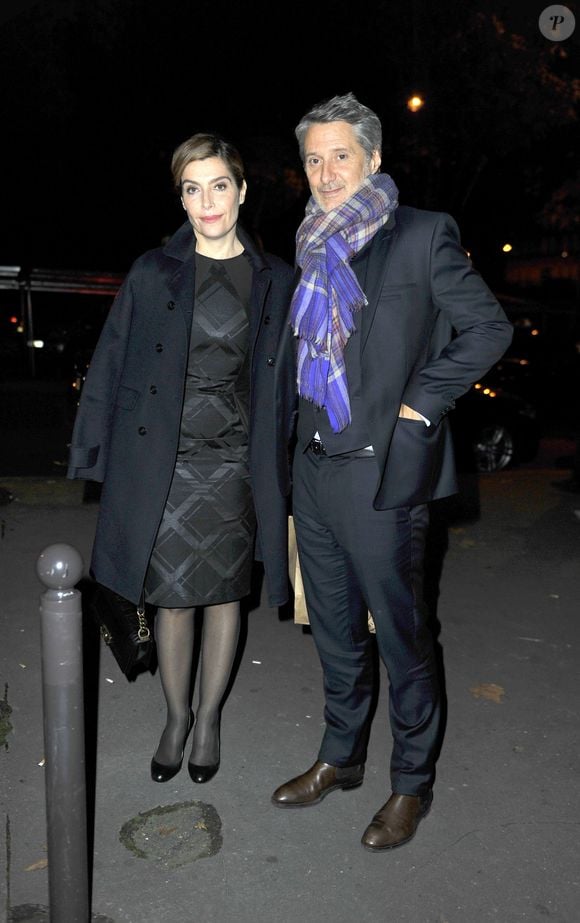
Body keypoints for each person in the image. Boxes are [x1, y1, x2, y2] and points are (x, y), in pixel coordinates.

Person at [271, 93, 513, 850]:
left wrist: (421, 403)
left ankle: (411, 782)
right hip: (312, 473)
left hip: (381, 479)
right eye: (313, 158)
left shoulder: (422, 235)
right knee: (336, 635)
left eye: (340, 154)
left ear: (372, 159)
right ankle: (341, 758)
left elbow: (488, 327)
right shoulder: (312, 244)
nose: (325, 171)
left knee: (403, 638)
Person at [67, 132, 296, 784]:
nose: (207, 201)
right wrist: (92, 450)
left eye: (218, 185)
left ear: (242, 190)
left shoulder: (275, 278)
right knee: (171, 600)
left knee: (223, 596)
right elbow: (111, 362)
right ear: (182, 198)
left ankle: (208, 719)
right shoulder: (153, 271)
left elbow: (299, 376)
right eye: (192, 189)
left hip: (233, 465)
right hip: (164, 462)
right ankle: (174, 716)